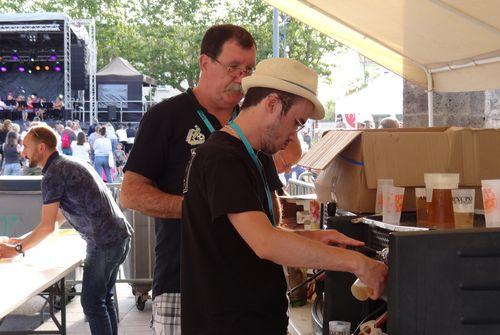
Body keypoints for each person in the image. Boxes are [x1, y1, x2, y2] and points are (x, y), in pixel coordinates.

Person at [181, 58, 388, 334]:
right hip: (226, 323)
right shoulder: (222, 157)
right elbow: (264, 242)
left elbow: (250, 233)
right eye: (296, 123)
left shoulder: (253, 155)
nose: (294, 136)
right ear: (272, 104)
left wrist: (312, 238)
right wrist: (357, 263)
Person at [120, 24, 278, 334]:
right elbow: (131, 194)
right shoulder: (166, 117)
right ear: (205, 63)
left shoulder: (252, 120)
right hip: (183, 283)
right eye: (233, 67)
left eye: (248, 69)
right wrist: (203, 209)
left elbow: (270, 197)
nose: (241, 78)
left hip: (247, 284)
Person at [0, 125, 132, 335]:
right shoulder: (70, 164)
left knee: (92, 303)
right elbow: (58, 219)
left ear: (41, 147)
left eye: (25, 147)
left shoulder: (53, 174)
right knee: (102, 300)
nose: (22, 152)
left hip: (103, 242)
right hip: (118, 236)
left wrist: (17, 249)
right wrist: (20, 240)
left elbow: (48, 226)